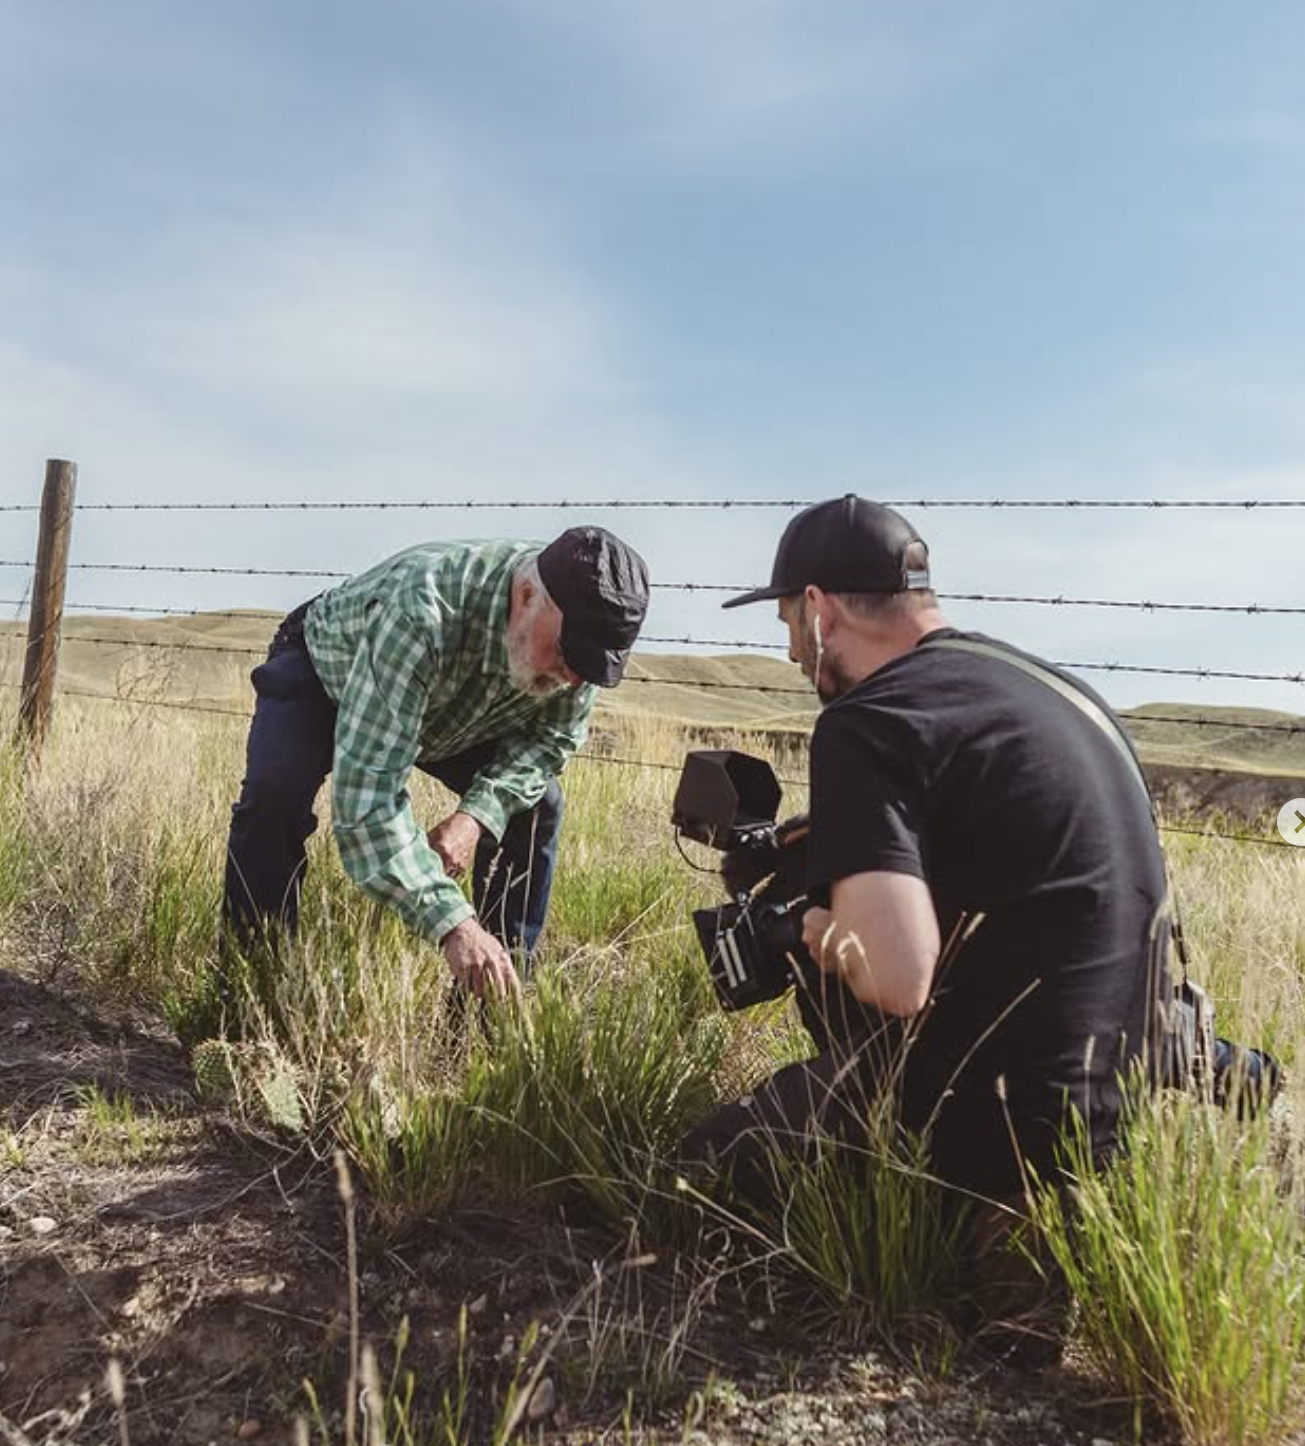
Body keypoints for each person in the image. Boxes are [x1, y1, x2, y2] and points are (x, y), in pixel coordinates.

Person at [686, 496, 1172, 1335]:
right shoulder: (1053, 689)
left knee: (700, 1173)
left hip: (1010, 1126)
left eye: (789, 627)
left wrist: (806, 927)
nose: (794, 653)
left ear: (818, 607)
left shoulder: (867, 720)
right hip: (1128, 1098)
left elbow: (901, 976)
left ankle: (997, 1227)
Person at [222, 527, 649, 999]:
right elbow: (367, 804)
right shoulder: (423, 610)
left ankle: (488, 1008)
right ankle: (252, 994)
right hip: (328, 671)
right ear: (527, 595)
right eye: (569, 656)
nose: (572, 679)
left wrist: (476, 817)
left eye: (589, 670)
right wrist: (453, 925)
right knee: (274, 796)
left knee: (537, 807)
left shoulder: (576, 647)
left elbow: (549, 741)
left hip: (449, 713)